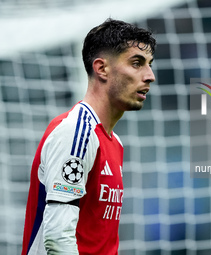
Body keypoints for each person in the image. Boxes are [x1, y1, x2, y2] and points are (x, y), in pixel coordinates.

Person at [21, 18, 156, 255]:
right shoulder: (76, 132)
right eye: (137, 63)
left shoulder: (114, 142)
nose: (150, 75)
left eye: (149, 64)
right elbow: (58, 237)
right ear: (101, 68)